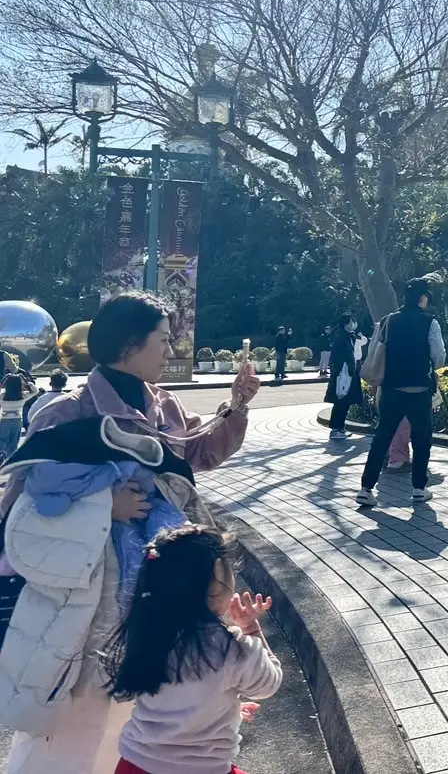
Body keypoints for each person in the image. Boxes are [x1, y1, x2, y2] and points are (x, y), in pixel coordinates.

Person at [0, 291, 256, 774]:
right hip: (86, 596)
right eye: (162, 339)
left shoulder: (164, 405)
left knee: (141, 711)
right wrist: (104, 504)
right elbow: (25, 500)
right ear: (129, 346)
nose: (169, 349)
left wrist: (237, 406)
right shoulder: (68, 412)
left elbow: (199, 454)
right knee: (74, 716)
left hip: (157, 586)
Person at [107, 524, 282, 774]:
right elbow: (269, 683)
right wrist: (251, 629)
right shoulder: (231, 648)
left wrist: (221, 710)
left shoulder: (145, 635)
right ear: (218, 571)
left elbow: (171, 699)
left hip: (136, 765)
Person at [356, 279, 445, 507]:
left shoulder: (387, 322)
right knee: (421, 438)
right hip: (419, 389)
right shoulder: (430, 322)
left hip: (391, 390)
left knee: (382, 437)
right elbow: (439, 356)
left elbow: (375, 351)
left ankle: (366, 488)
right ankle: (418, 487)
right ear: (423, 299)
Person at [325, 315, 364, 439]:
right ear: (347, 323)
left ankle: (340, 428)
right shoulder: (340, 337)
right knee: (341, 401)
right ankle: (336, 429)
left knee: (345, 401)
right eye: (352, 321)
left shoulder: (347, 335)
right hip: (343, 374)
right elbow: (340, 357)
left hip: (348, 373)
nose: (353, 323)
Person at [0, 374, 24, 459]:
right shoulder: (23, 396)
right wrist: (24, 379)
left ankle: (2, 452)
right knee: (14, 440)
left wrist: (3, 381)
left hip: (4, 419)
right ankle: (11, 457)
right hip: (17, 419)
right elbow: (34, 390)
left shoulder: (2, 396)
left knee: (2, 438)